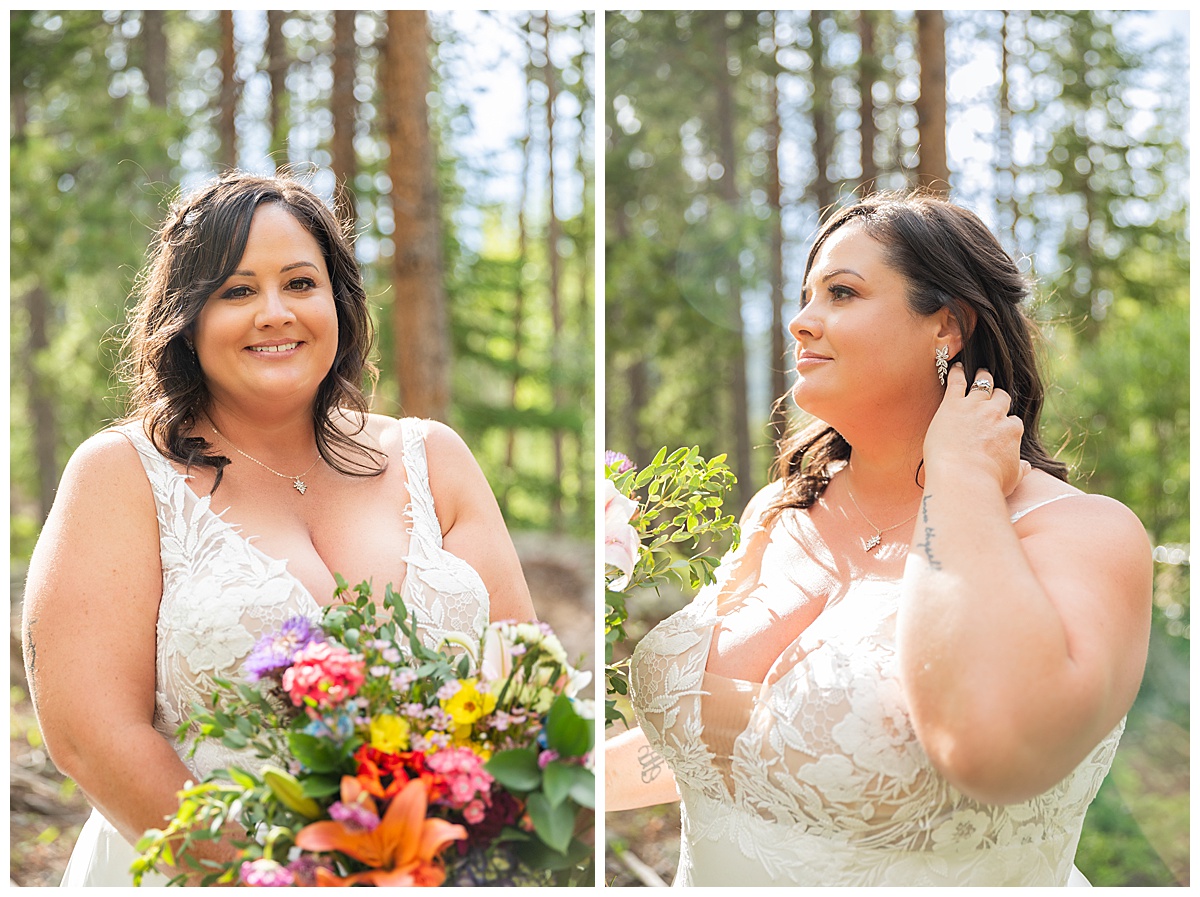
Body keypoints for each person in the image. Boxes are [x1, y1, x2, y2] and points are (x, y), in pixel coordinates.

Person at [606, 192, 1151, 886]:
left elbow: (990, 745)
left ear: (947, 326)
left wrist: (958, 481)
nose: (802, 323)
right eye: (806, 297)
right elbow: (730, 756)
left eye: (842, 292)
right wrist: (534, 782)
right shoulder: (779, 510)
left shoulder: (1083, 535)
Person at [21, 171, 536, 886]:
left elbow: (523, 689)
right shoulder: (122, 474)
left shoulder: (433, 458)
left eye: (300, 283)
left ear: (338, 301)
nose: (275, 312)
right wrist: (272, 879)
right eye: (236, 291)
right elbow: (92, 736)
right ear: (187, 315)